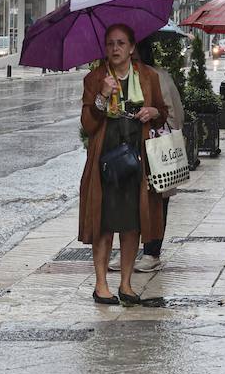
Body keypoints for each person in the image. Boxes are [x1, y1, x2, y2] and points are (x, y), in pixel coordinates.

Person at [79, 23, 167, 306]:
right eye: (110, 44)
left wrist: (153, 112)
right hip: (105, 161)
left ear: (131, 48)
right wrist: (102, 96)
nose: (115, 49)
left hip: (137, 160)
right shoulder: (96, 78)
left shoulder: (148, 77)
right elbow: (88, 124)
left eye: (120, 43)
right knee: (103, 223)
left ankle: (126, 284)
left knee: (132, 224)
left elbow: (162, 113)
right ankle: (101, 285)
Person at [133, 37, 185, 273]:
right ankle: (130, 251)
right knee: (131, 201)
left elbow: (174, 115)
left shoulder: (158, 76)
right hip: (132, 149)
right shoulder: (120, 77)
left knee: (157, 198)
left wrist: (154, 115)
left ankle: (152, 252)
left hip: (156, 149)